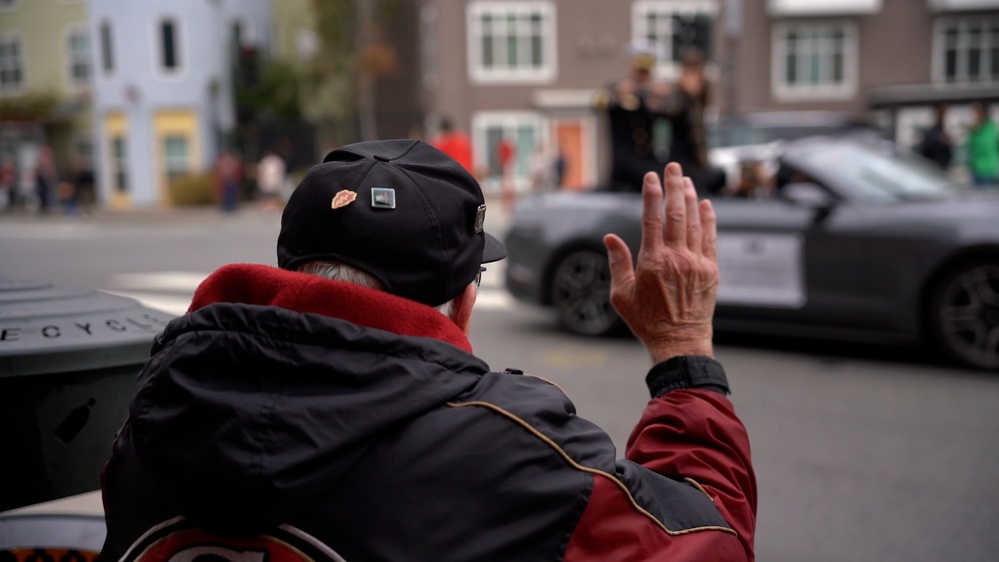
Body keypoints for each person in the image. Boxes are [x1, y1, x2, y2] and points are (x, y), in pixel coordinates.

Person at [100, 139, 756, 561]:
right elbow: (710, 540)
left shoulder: (154, 413)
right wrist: (681, 351)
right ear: (463, 301)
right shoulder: (508, 457)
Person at [595, 40, 671, 193]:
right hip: (623, 165)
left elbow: (670, 114)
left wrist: (661, 99)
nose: (643, 75)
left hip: (647, 161)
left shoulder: (651, 95)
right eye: (640, 70)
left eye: (646, 71)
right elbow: (598, 103)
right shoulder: (619, 90)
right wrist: (616, 94)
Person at [664, 47, 726, 196]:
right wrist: (688, 95)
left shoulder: (701, 100)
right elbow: (671, 112)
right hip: (683, 162)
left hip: (697, 162)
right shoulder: (679, 98)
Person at [965, 100, 999, 186]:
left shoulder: (989, 127)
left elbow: (984, 146)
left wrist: (974, 132)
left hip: (987, 170)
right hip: (976, 169)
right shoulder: (976, 129)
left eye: (975, 112)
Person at [918, 103, 952, 171]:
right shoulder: (930, 131)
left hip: (942, 168)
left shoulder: (945, 130)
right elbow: (925, 149)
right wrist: (940, 140)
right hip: (932, 168)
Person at [256, 148, 287, 213]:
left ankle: (274, 208)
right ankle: (268, 209)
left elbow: (280, 172)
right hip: (267, 182)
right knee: (267, 196)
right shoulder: (265, 161)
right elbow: (262, 172)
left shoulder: (277, 161)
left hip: (274, 182)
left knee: (274, 196)